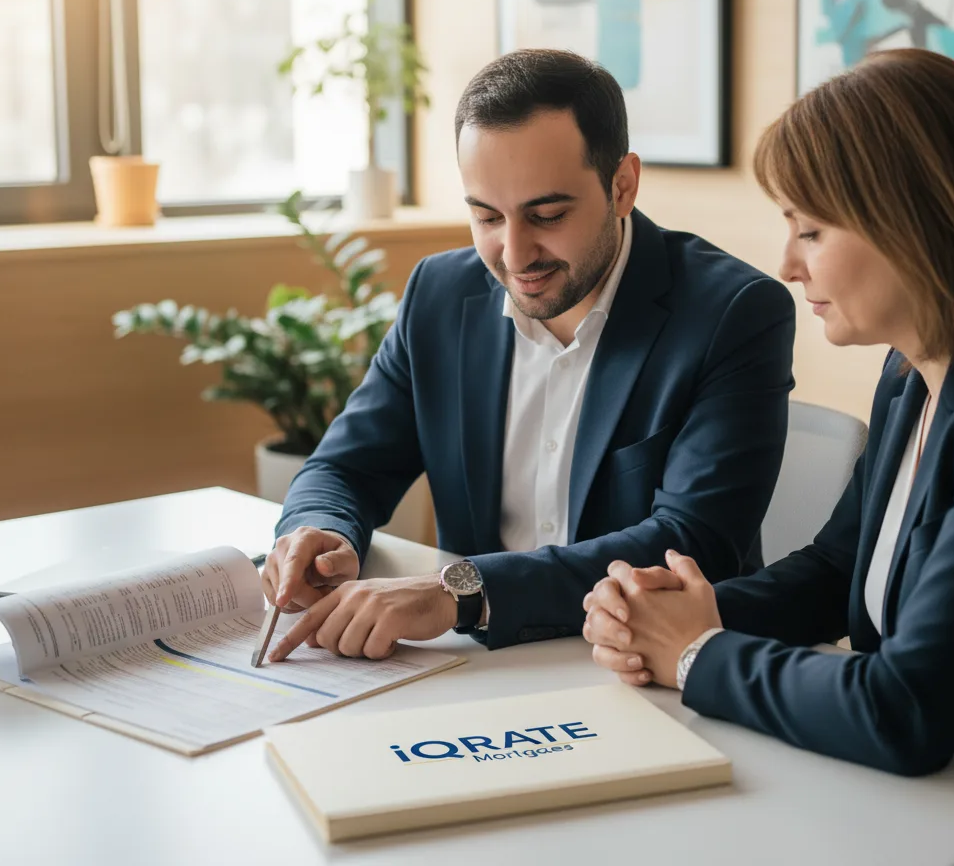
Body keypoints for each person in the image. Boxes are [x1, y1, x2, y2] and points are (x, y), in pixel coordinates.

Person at [261, 48, 795, 661]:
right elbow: (346, 466)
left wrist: (460, 594)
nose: (514, 255)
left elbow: (692, 540)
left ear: (622, 186)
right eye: (487, 216)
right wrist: (320, 532)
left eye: (546, 215)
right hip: (476, 666)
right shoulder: (439, 295)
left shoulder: (734, 312)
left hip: (648, 665)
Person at [583, 47, 954, 776]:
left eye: (812, 231)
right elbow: (837, 570)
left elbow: (908, 706)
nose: (789, 265)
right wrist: (677, 613)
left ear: (910, 222)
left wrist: (697, 655)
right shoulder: (910, 374)